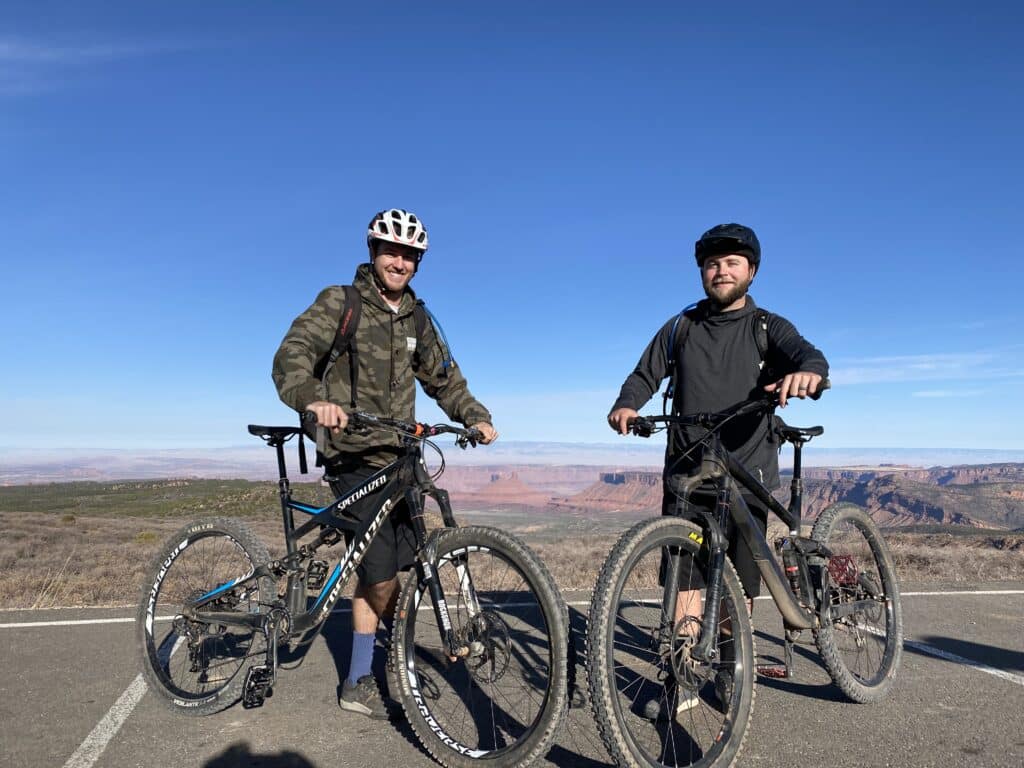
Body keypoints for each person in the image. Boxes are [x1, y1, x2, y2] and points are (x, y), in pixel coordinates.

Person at [272, 208, 498, 719]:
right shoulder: (342, 303)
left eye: (409, 255)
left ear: (418, 262)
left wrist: (476, 417)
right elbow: (292, 353)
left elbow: (444, 378)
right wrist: (313, 399)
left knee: (401, 560)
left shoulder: (417, 317)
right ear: (373, 252)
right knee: (377, 571)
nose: (399, 261)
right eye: (391, 251)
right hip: (351, 451)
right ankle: (356, 680)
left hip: (401, 455)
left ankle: (396, 651)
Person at [607, 222, 828, 717]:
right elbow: (645, 373)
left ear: (751, 271)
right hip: (687, 468)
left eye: (732, 263)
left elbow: (808, 356)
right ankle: (682, 675)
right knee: (684, 580)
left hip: (745, 470)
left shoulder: (767, 326)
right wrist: (626, 404)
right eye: (712, 263)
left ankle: (730, 667)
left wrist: (808, 375)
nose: (720, 270)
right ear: (702, 272)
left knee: (738, 583)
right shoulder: (681, 327)